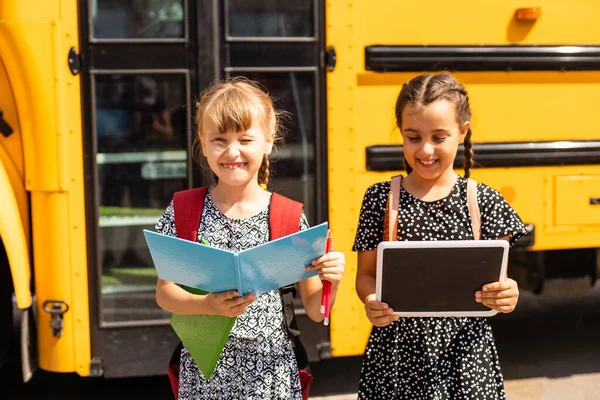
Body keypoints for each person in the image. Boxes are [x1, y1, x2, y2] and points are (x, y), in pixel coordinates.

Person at [154, 77, 345, 399]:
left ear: (269, 141)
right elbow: (164, 294)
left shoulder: (289, 216)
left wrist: (332, 281)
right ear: (202, 141)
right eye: (219, 139)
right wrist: (207, 305)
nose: (232, 152)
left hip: (272, 374)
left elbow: (316, 311)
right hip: (205, 373)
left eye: (245, 139)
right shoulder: (184, 211)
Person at [353, 73, 527, 399]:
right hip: (397, 357)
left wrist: (507, 296)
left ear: (463, 132)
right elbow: (365, 276)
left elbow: (498, 284)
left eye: (439, 137)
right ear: (401, 134)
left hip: (467, 358)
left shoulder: (484, 201)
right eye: (413, 137)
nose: (426, 149)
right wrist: (370, 301)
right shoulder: (380, 198)